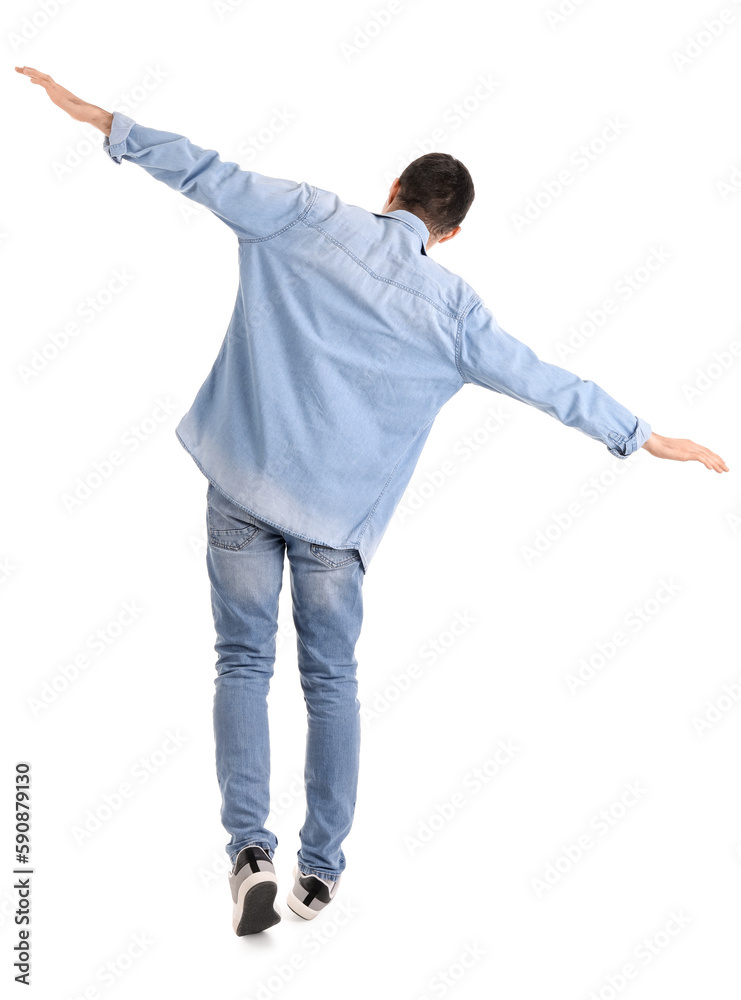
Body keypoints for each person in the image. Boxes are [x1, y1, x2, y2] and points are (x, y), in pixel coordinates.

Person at [16, 66, 729, 936]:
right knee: (331, 681)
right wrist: (644, 434)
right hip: (335, 526)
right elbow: (547, 383)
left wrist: (102, 119)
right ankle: (318, 875)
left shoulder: (306, 215)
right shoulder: (454, 310)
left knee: (241, 662)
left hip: (240, 479)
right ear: (450, 231)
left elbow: (203, 170)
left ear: (391, 190)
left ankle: (250, 853)